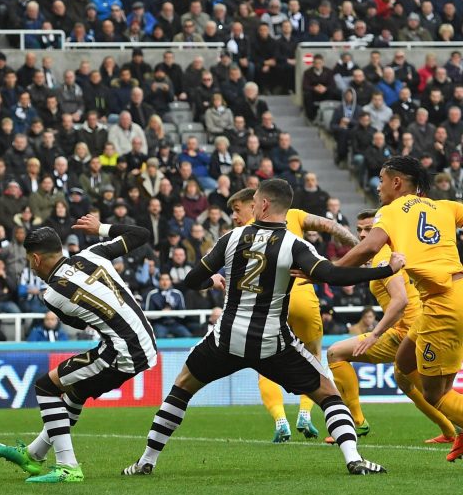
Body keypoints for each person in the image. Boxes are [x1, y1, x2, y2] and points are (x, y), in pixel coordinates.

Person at [124, 179, 394, 477]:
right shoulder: (294, 244)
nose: (251, 206)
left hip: (225, 340)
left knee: (181, 389)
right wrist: (386, 269)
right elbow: (332, 274)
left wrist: (209, 281)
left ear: (264, 205)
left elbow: (191, 279)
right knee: (328, 394)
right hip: (272, 343)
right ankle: (353, 458)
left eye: (254, 202)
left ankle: (146, 460)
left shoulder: (232, 237)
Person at [0, 214, 158, 483]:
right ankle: (33, 455)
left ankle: (68, 466)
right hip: (145, 339)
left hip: (123, 351)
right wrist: (101, 228)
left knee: (46, 387)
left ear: (35, 259)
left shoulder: (52, 294)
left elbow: (76, 322)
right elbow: (141, 234)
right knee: (76, 393)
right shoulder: (93, 253)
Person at [334, 156, 463, 462]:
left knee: (435, 394)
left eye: (381, 180)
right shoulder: (444, 206)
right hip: (447, 297)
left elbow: (367, 248)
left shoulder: (390, 211)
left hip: (442, 305)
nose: (377, 186)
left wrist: (328, 270)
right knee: (404, 363)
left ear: (397, 182)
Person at [227, 187, 360, 442]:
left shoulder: (241, 235)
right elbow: (330, 225)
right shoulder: (295, 216)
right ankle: (306, 414)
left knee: (263, 365)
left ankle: (280, 420)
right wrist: (359, 246)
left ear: (254, 205)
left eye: (236, 210)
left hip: (270, 304)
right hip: (302, 296)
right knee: (313, 359)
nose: (235, 216)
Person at [324, 210, 456, 445]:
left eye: (368, 229)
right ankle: (449, 432)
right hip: (418, 327)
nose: (363, 234)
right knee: (412, 383)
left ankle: (357, 422)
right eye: (360, 230)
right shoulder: (387, 253)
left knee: (335, 353)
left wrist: (374, 334)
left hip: (410, 332)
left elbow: (400, 300)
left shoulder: (383, 256)